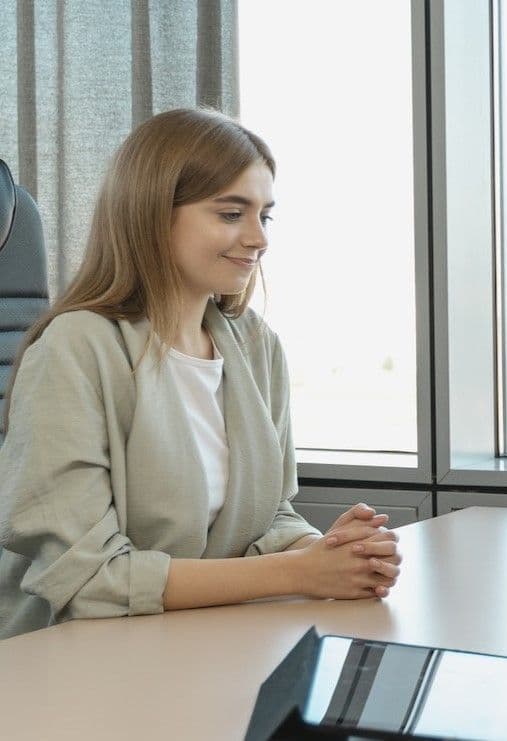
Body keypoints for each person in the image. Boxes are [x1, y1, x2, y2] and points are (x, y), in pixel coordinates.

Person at [0, 108, 402, 640]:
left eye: (266, 215)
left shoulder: (257, 347)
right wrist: (296, 573)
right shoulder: (75, 349)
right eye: (232, 214)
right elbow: (89, 580)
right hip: (73, 658)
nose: (259, 238)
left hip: (197, 641)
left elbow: (271, 517)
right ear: (153, 215)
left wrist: (327, 552)